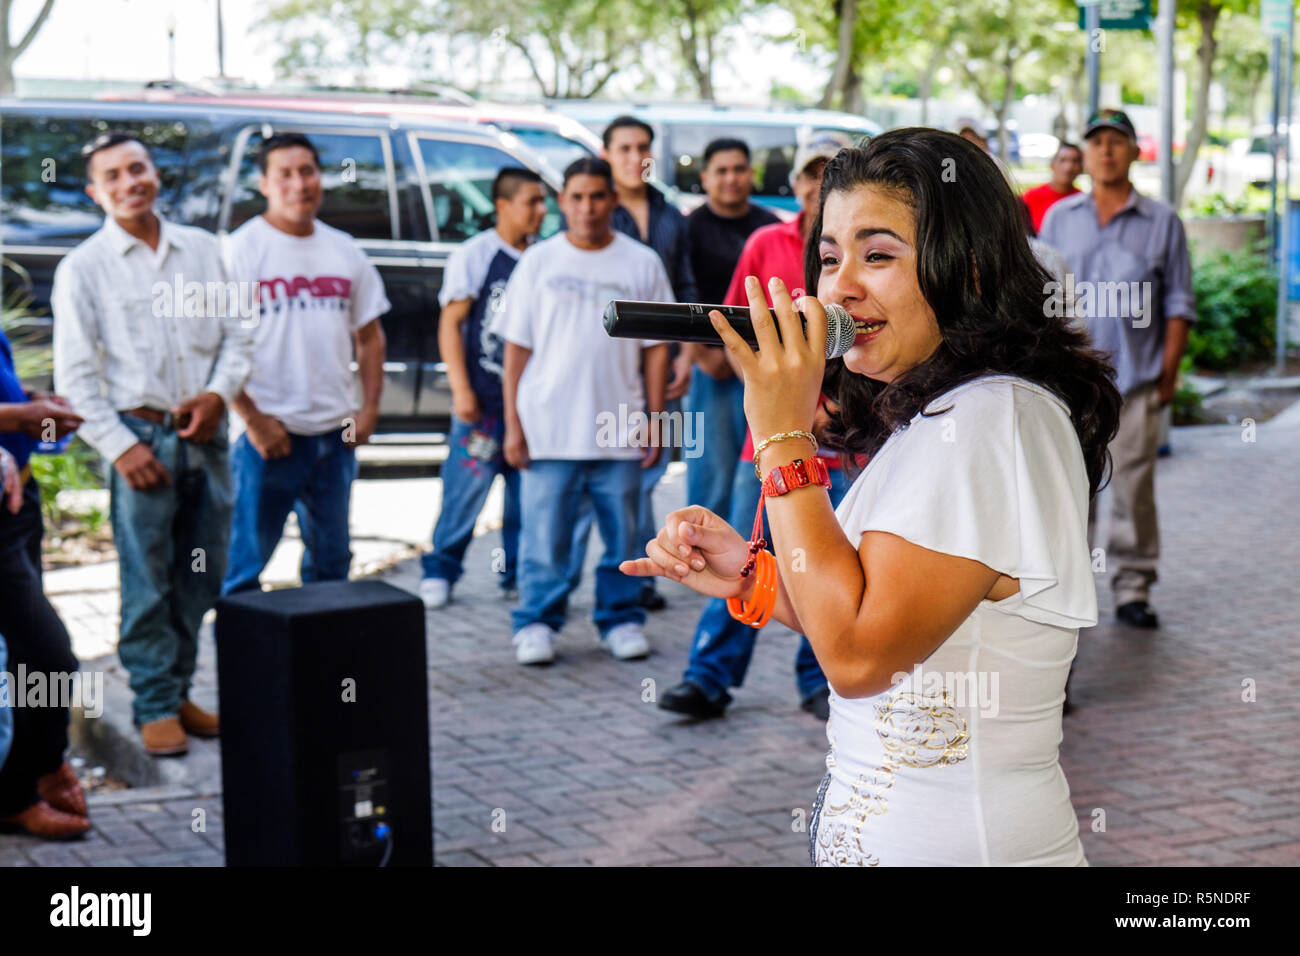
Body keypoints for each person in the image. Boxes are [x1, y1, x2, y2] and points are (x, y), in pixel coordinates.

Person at [622, 128, 1122, 866]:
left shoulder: (991, 419)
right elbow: (871, 614)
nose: (841, 287)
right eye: (828, 258)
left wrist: (781, 437)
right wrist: (757, 577)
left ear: (970, 269)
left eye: (878, 254)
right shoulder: (943, 414)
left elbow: (857, 661)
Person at [52, 132, 255, 757]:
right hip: (139, 439)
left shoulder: (204, 250)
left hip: (206, 433)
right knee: (149, 578)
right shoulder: (83, 269)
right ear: (95, 191)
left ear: (154, 175)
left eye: (136, 168)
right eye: (111, 176)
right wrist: (118, 446)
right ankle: (154, 702)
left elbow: (239, 334)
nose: (128, 182)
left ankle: (180, 688)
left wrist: (218, 395)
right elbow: (75, 378)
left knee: (202, 574)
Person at [657, 134, 849, 722]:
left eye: (832, 175)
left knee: (832, 562)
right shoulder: (767, 242)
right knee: (744, 558)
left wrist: (833, 413)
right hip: (765, 442)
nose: (819, 186)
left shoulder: (861, 256)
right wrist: (776, 400)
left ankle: (822, 680)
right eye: (810, 176)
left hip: (844, 444)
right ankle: (709, 678)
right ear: (794, 186)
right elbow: (734, 331)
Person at [497, 157, 671, 666]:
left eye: (597, 196)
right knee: (543, 539)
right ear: (561, 202)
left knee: (623, 537)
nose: (587, 207)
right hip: (547, 427)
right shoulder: (538, 262)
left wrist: (656, 418)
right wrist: (513, 424)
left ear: (613, 201)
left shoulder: (640, 263)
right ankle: (536, 622)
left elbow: (656, 348)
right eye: (576, 197)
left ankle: (620, 620)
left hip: (619, 426)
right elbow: (516, 349)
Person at [1039, 109, 1194, 630]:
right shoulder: (1060, 218)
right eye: (1096, 141)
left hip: (1136, 382)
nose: (1105, 150)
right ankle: (1070, 592)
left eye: (1116, 141)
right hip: (1072, 387)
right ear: (1084, 153)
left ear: (1133, 151)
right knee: (1069, 492)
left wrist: (1168, 377)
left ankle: (1133, 588)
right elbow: (1045, 299)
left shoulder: (1162, 222)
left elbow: (1178, 303)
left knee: (1133, 490)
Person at [220, 132, 389, 596]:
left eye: (308, 171)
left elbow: (370, 336)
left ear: (320, 177)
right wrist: (253, 420)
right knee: (245, 569)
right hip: (268, 438)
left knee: (333, 567)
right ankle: (243, 667)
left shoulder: (344, 249)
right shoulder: (241, 250)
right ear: (264, 184)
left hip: (334, 438)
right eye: (285, 174)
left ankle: (324, 667)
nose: (299, 183)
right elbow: (215, 344)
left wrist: (369, 409)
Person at [566, 116, 698, 612]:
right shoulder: (590, 212)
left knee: (650, 469)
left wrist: (686, 353)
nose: (634, 157)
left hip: (663, 360)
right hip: (609, 371)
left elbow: (684, 289)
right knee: (606, 480)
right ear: (606, 154)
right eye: (624, 148)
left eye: (643, 147)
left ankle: (641, 573)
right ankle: (600, 581)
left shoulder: (670, 215)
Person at [418, 167, 546, 609]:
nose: (541, 210)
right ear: (503, 206)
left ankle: (515, 574)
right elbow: (451, 324)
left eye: (544, 200)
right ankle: (441, 570)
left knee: (525, 500)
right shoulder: (475, 255)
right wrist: (461, 390)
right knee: (464, 492)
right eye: (532, 201)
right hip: (483, 401)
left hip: (531, 404)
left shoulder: (545, 256)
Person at [0, 327, 88, 839]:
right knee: (49, 654)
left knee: (25, 655)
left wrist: (31, 400)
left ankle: (28, 777)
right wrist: (17, 417)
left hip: (19, 502)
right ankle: (21, 791)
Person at [684, 137, 778, 520]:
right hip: (710, 367)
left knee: (761, 462)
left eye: (740, 169)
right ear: (705, 177)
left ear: (751, 175)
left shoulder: (768, 226)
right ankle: (702, 555)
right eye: (721, 171)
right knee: (710, 466)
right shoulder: (688, 228)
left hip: (763, 365)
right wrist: (702, 355)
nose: (731, 178)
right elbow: (677, 292)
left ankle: (754, 552)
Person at [1023, 142, 1083, 233]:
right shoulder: (1030, 197)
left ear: (1081, 169)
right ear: (1052, 165)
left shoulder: (1083, 201)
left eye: (1074, 161)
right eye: (1063, 160)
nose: (1068, 167)